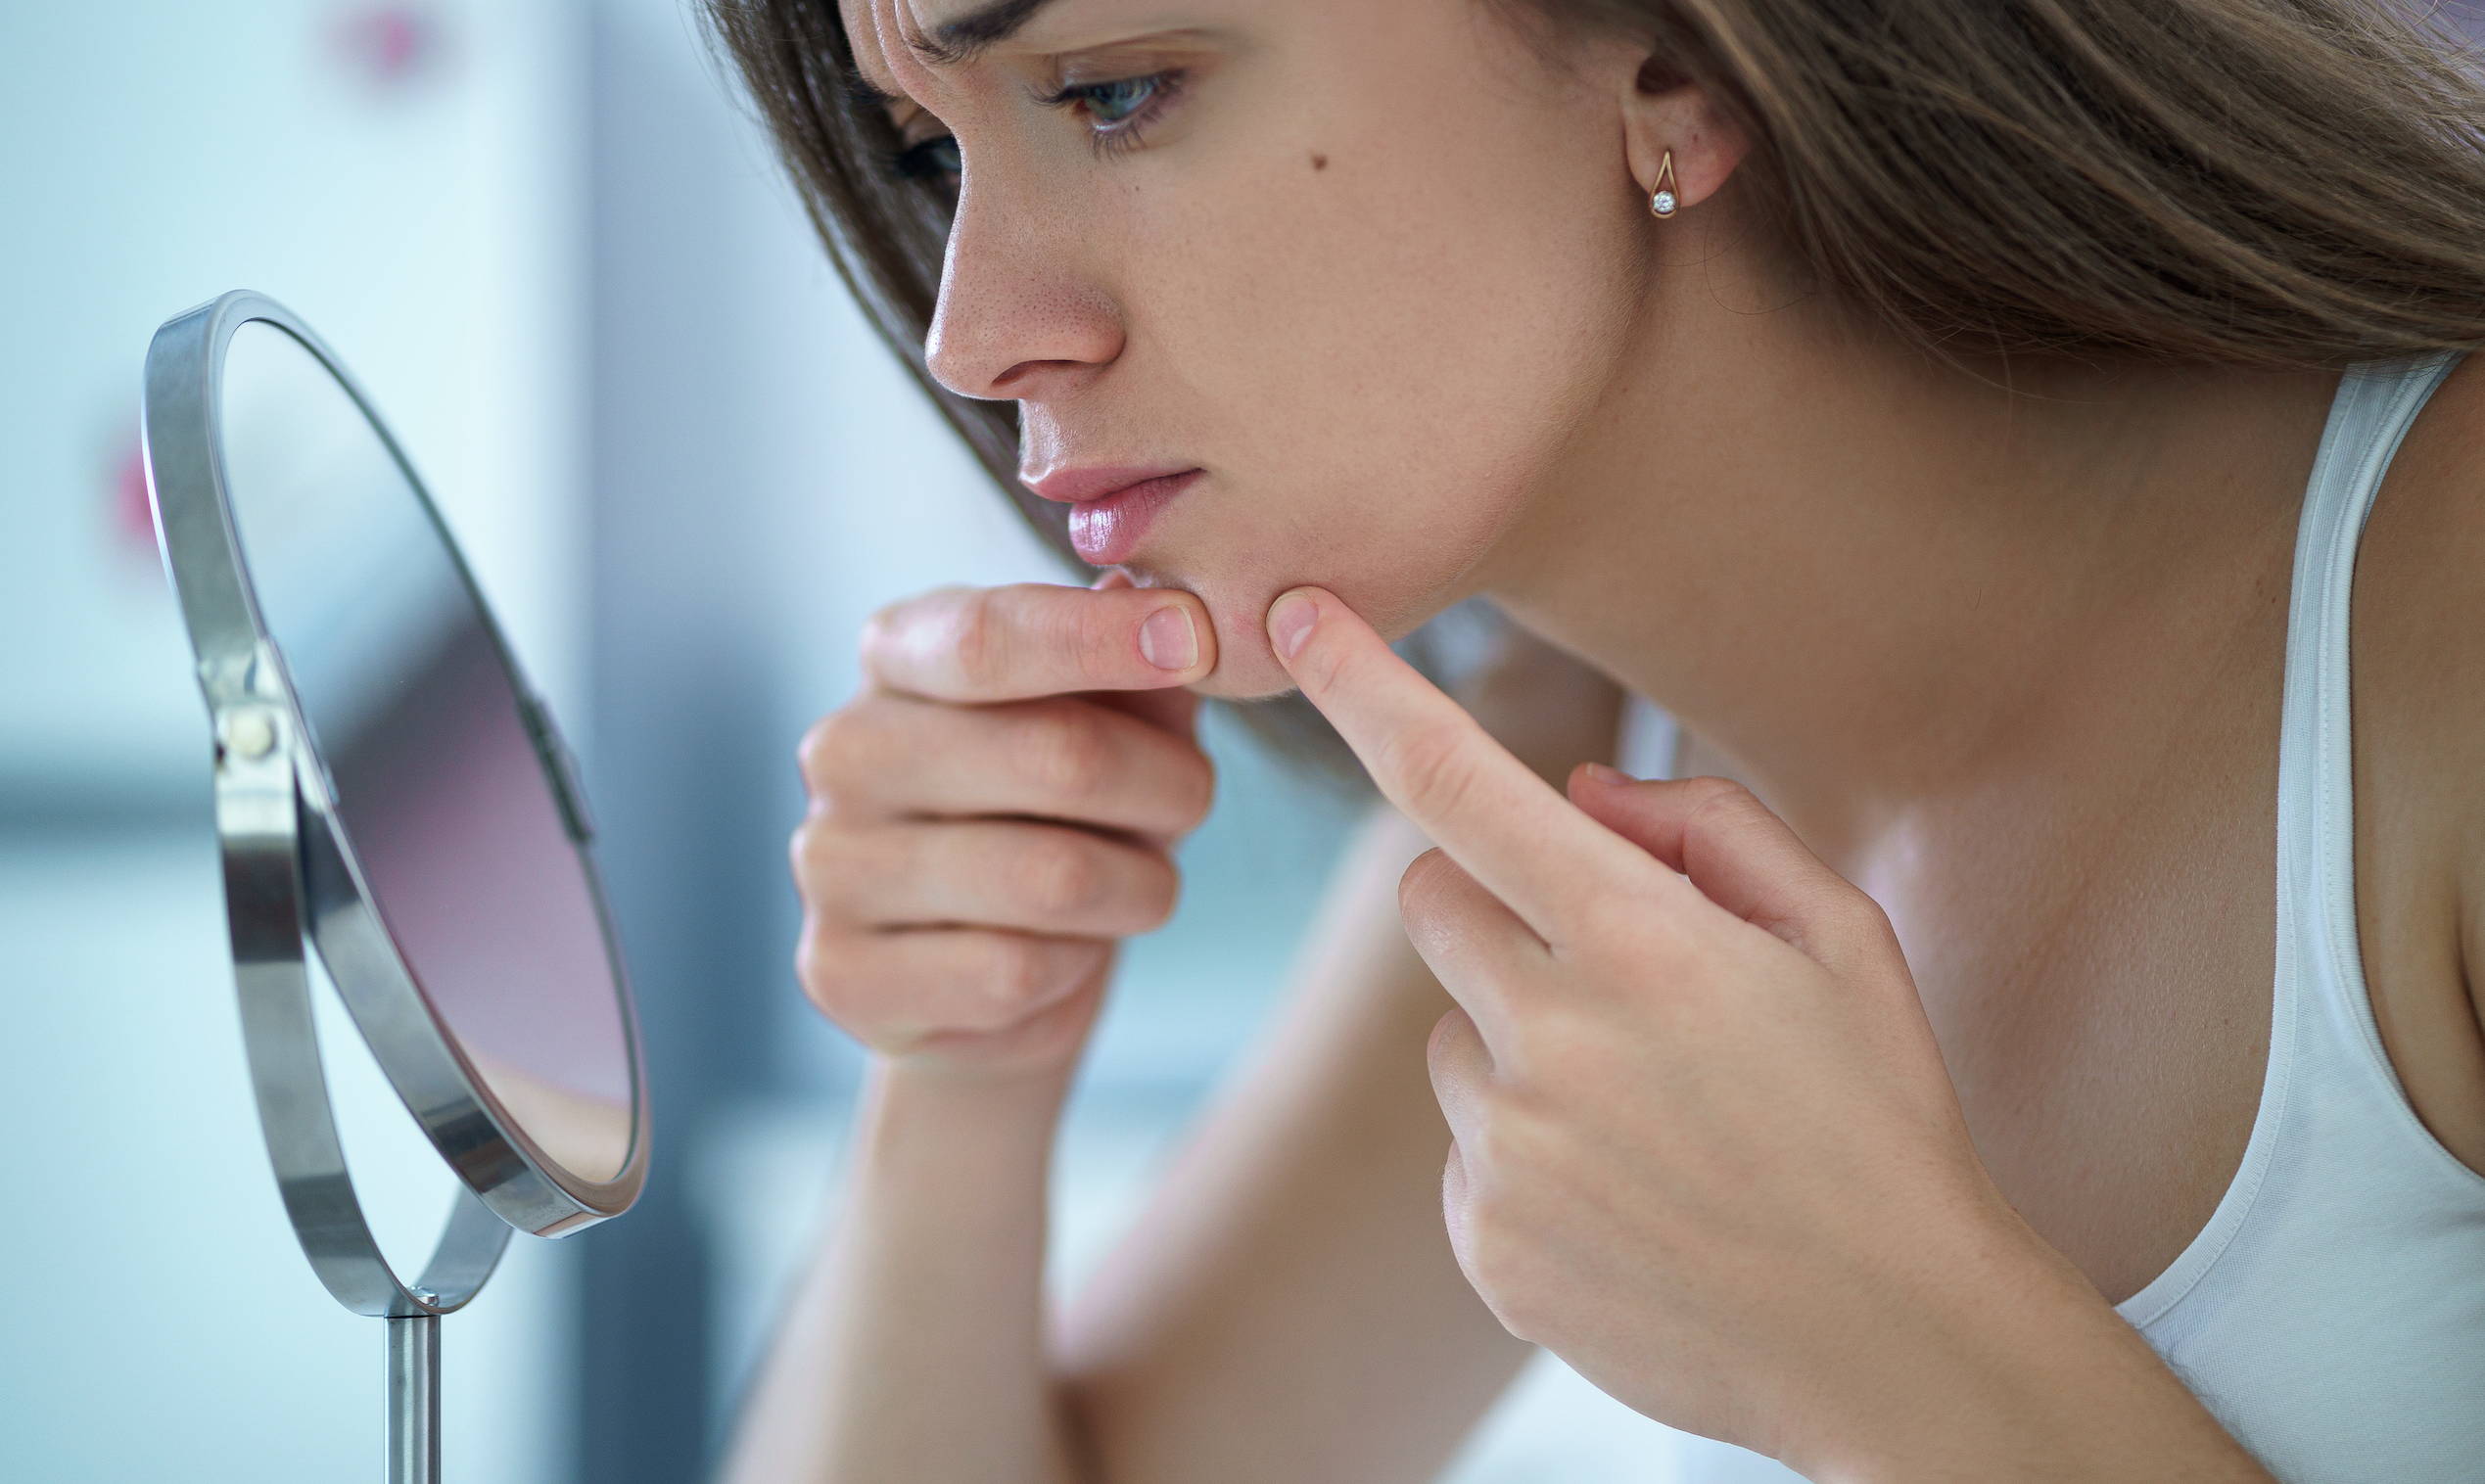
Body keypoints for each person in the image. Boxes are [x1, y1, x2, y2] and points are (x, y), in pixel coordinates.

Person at [702, 1, 2485, 1478]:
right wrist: (960, 1075)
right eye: (930, 153)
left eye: (1112, 94)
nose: (976, 331)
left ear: (1667, 60)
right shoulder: (1559, 785)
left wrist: (1882, 1341)